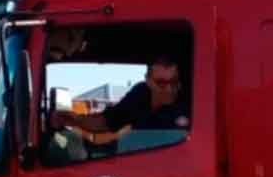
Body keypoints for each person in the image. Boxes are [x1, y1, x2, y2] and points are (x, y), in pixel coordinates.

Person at [51, 55, 189, 133]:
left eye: (174, 82)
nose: (170, 89)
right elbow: (107, 121)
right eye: (161, 83)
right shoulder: (139, 95)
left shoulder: (188, 104)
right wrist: (75, 119)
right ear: (148, 80)